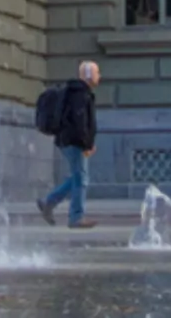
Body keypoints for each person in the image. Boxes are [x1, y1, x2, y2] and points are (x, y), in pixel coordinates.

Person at [37, 59, 100, 229]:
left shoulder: (78, 92)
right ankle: (76, 217)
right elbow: (80, 122)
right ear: (88, 75)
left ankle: (48, 202)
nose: (99, 76)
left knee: (78, 177)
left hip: (70, 141)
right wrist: (86, 144)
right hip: (74, 142)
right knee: (81, 178)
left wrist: (88, 142)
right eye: (96, 72)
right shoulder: (80, 94)